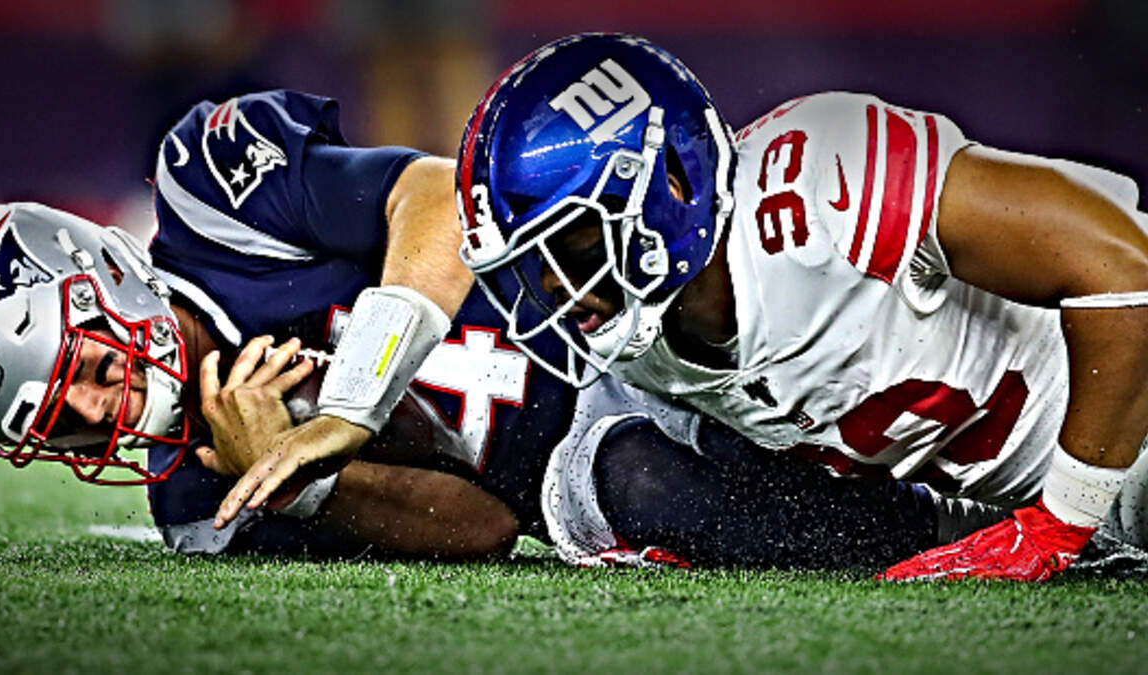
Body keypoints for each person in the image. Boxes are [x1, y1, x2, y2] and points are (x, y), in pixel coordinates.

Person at [0, 90, 995, 567]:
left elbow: (439, 198)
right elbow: (482, 527)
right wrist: (301, 482)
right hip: (566, 461)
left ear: (106, 277)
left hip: (595, 291)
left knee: (814, 317)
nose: (102, 409)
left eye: (87, 366)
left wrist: (352, 400)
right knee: (643, 484)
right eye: (63, 421)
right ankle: (952, 537)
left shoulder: (216, 200)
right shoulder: (194, 499)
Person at [454, 33, 1148, 581]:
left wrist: (1061, 520)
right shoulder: (646, 344)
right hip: (1047, 501)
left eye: (570, 247)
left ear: (670, 188)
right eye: (531, 264)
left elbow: (1125, 274)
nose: (554, 288)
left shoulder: (821, 181)